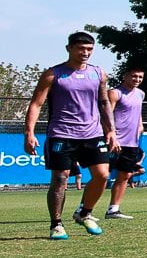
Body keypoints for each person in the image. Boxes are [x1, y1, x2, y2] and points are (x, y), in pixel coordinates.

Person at [23, 31, 119, 239]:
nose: (85, 53)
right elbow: (36, 103)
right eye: (81, 48)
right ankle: (56, 224)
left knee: (102, 175)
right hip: (61, 133)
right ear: (69, 48)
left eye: (89, 49)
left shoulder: (98, 74)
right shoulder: (53, 74)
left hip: (92, 133)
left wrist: (110, 130)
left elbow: (104, 103)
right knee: (60, 178)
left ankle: (84, 213)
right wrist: (29, 133)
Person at [103, 67, 147, 219]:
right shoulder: (115, 93)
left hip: (131, 142)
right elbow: (106, 114)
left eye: (140, 77)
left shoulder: (141, 94)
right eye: (134, 76)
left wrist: (140, 124)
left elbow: (138, 111)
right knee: (101, 175)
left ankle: (113, 209)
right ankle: (84, 209)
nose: (137, 79)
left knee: (125, 174)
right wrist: (111, 134)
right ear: (125, 76)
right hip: (114, 141)